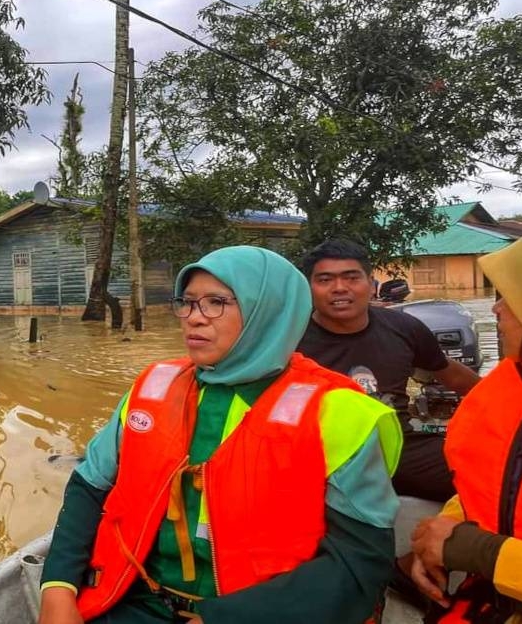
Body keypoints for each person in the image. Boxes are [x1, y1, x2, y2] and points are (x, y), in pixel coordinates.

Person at [38, 246, 403, 623]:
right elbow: (88, 486)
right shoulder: (154, 387)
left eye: (216, 303)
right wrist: (57, 587)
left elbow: (360, 562)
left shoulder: (340, 413)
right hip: (139, 600)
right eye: (189, 302)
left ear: (269, 311)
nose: (194, 319)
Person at [297, 239, 481, 503]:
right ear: (309, 288)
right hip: (323, 454)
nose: (339, 288)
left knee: (490, 475)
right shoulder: (290, 338)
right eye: (325, 280)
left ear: (371, 284)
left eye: (351, 278)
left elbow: (450, 373)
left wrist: (508, 405)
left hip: (399, 445)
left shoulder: (403, 328)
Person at [410, 237, 522, 623]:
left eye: (508, 295)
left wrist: (482, 552)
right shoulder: (505, 386)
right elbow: (485, 478)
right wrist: (444, 534)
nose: (496, 308)